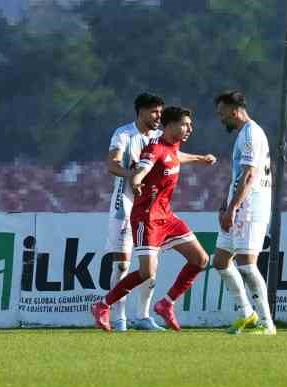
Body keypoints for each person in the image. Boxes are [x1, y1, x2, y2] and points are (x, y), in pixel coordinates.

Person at [90, 107, 217, 332]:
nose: (190, 129)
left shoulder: (172, 148)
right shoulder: (155, 148)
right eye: (185, 124)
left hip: (167, 217)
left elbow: (176, 157)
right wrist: (137, 181)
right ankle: (102, 305)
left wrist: (200, 158)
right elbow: (143, 167)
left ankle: (166, 304)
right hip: (146, 218)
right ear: (169, 126)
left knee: (201, 259)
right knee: (146, 273)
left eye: (190, 124)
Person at [213, 90, 277, 335]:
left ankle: (266, 322)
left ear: (233, 109)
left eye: (222, 114)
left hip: (250, 206)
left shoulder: (251, 134)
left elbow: (250, 175)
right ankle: (247, 315)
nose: (221, 119)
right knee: (220, 260)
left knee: (247, 265)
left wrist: (233, 208)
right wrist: (225, 203)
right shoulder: (244, 134)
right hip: (238, 204)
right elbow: (238, 176)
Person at [104, 93, 164, 331]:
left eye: (161, 111)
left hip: (151, 207)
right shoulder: (124, 134)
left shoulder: (160, 138)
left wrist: (199, 158)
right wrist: (133, 176)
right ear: (141, 112)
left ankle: (143, 315)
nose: (159, 116)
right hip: (124, 203)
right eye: (154, 112)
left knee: (150, 262)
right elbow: (112, 164)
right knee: (122, 264)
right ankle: (119, 319)